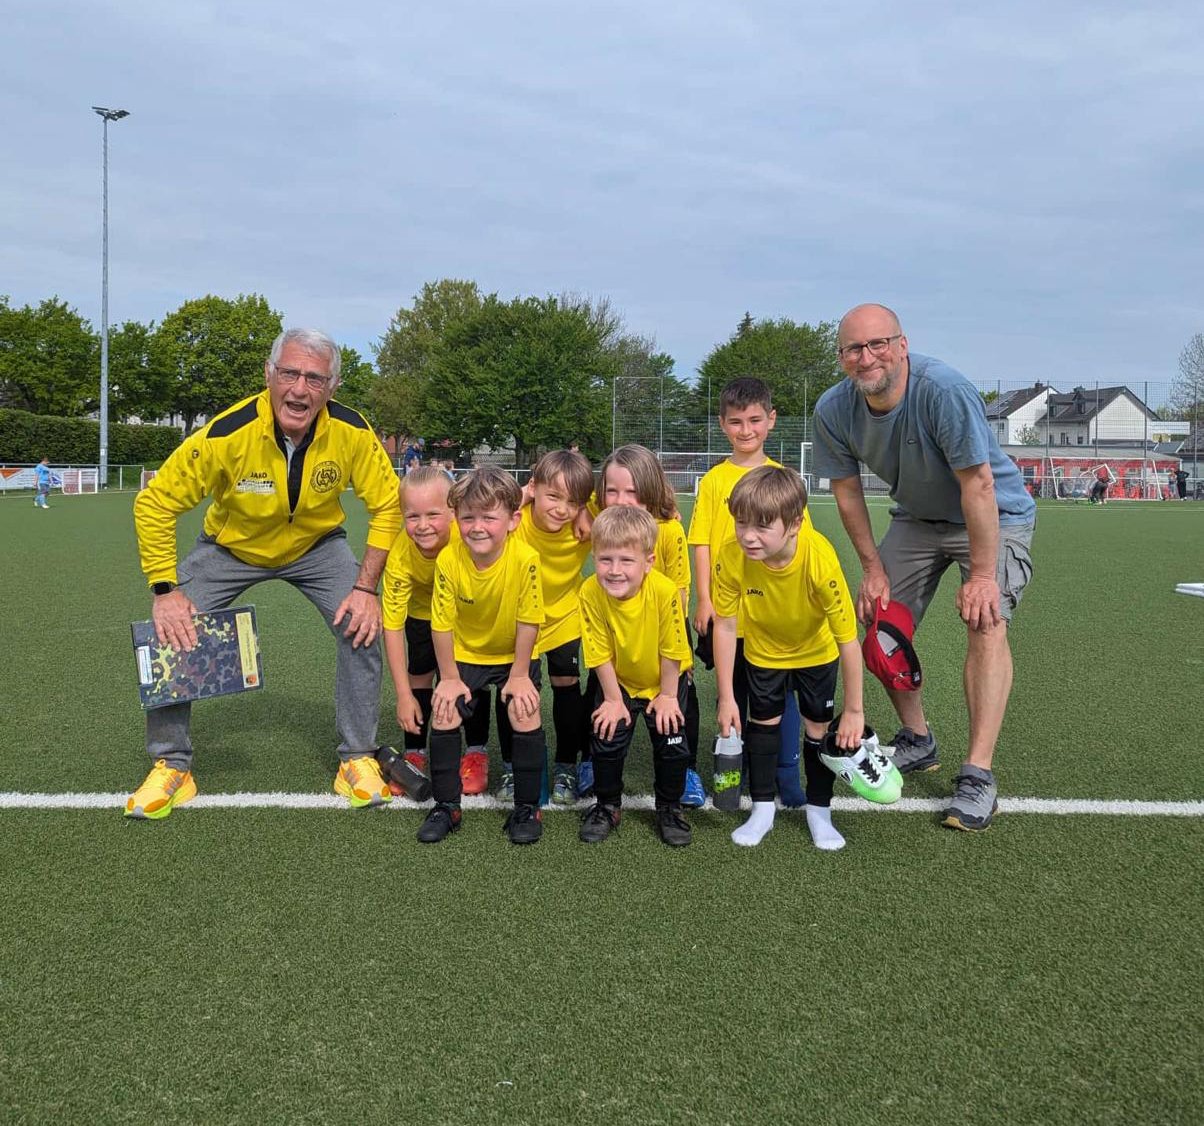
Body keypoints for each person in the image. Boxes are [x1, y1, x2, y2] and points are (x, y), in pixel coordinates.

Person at [125, 327, 402, 819]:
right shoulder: (225, 434)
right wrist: (165, 589)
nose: (300, 389)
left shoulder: (353, 432)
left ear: (333, 387)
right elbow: (155, 503)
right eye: (290, 373)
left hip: (318, 547)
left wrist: (365, 588)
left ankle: (357, 757)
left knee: (362, 626)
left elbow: (389, 505)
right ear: (269, 374)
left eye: (315, 378)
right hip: (231, 549)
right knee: (168, 631)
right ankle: (172, 765)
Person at [813, 303, 1036, 832]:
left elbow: (978, 484)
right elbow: (847, 493)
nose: (867, 357)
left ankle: (978, 774)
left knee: (985, 620)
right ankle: (917, 738)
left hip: (992, 515)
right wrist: (872, 568)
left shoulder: (944, 391)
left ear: (902, 345)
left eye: (878, 344)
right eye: (853, 348)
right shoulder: (833, 408)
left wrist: (982, 576)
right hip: (916, 518)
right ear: (841, 357)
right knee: (879, 623)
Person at [712, 467, 864, 850]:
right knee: (763, 725)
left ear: (794, 524)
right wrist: (727, 697)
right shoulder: (731, 556)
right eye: (741, 522)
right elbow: (725, 627)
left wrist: (854, 710)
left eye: (762, 526)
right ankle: (762, 809)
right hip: (764, 652)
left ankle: (820, 812)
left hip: (816, 653)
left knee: (817, 729)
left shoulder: (819, 559)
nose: (748, 536)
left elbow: (848, 640)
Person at [687, 378, 810, 807]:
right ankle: (732, 770)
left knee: (779, 696)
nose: (746, 430)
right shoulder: (714, 481)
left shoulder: (784, 480)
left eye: (755, 420)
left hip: (771, 614)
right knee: (733, 692)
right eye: (736, 422)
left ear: (771, 420)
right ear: (722, 424)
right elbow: (701, 542)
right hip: (728, 611)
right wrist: (704, 599)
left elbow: (800, 547)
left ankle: (784, 773)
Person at [420, 468, 548, 845]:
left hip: (514, 653)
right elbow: (441, 623)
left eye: (488, 517)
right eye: (468, 517)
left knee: (523, 708)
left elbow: (529, 620)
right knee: (444, 710)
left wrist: (520, 674)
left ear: (513, 520)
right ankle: (447, 806)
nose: (477, 527)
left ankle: (527, 808)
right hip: (466, 652)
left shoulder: (526, 558)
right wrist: (448, 678)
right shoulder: (448, 558)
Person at [577, 506, 693, 847]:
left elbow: (672, 648)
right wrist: (614, 699)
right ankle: (608, 805)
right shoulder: (589, 592)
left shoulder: (665, 591)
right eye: (605, 560)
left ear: (649, 562)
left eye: (626, 561)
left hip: (665, 680)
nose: (614, 571)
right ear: (594, 558)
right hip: (619, 680)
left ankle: (669, 807)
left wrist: (668, 696)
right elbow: (597, 651)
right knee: (606, 736)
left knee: (672, 742)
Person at [598, 444, 704, 807]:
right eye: (612, 491)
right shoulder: (603, 520)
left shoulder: (669, 530)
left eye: (632, 492)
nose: (621, 500)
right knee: (598, 688)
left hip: (665, 622)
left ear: (651, 490)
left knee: (684, 697)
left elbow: (680, 587)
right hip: (617, 627)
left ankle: (687, 769)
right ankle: (591, 762)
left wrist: (678, 647)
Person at [507, 448, 595, 805]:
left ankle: (565, 765)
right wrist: (521, 495)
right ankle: (514, 766)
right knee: (520, 688)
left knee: (566, 683)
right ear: (534, 488)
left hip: (565, 616)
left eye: (572, 502)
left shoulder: (584, 524)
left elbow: (628, 505)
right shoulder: (515, 519)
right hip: (521, 619)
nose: (561, 509)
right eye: (553, 497)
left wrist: (586, 509)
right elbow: (480, 504)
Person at [381, 466, 459, 797]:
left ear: (453, 512)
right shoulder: (400, 555)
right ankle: (414, 751)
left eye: (433, 514)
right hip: (421, 616)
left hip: (461, 616)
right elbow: (392, 625)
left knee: (465, 679)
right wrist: (402, 695)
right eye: (413, 516)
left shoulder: (466, 536)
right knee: (419, 677)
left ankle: (476, 751)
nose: (423, 525)